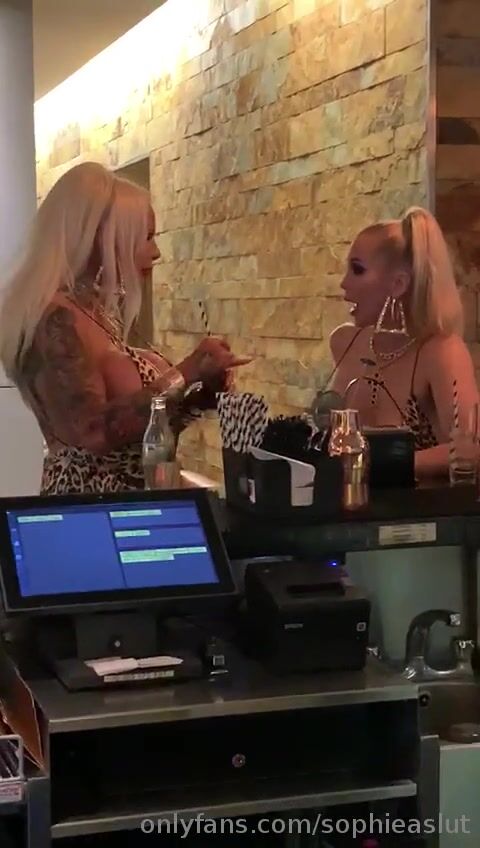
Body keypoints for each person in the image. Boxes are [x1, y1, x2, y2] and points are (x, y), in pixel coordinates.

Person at [0, 162, 250, 493]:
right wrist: (187, 371)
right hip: (90, 505)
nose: (156, 252)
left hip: (134, 499)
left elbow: (137, 431)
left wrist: (203, 394)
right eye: (146, 237)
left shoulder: (93, 312)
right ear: (103, 237)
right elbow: (92, 432)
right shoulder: (54, 319)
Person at [328, 206, 479, 477]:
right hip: (348, 502)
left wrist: (379, 465)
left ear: (398, 284)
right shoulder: (345, 342)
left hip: (418, 504)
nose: (344, 283)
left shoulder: (442, 352)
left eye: (357, 270)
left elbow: (471, 448)